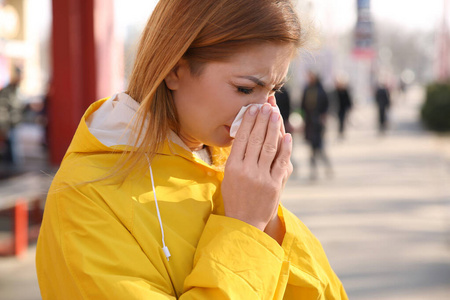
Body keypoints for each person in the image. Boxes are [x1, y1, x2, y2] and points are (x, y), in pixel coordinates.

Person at [36, 1, 348, 299]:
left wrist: (269, 220)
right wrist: (245, 227)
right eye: (245, 89)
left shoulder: (228, 168)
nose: (263, 112)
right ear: (174, 69)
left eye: (273, 91)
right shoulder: (84, 197)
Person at [300, 70, 333, 180]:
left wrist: (323, 117)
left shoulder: (321, 90)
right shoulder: (306, 89)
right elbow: (302, 105)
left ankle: (327, 167)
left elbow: (326, 105)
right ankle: (313, 171)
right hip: (309, 123)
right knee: (312, 149)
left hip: (318, 123)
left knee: (319, 148)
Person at [0, 66, 23, 164]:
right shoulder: (7, 91)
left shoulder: (16, 91)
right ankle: (13, 164)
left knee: (13, 144)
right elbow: (3, 109)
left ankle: (13, 162)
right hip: (9, 124)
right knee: (12, 144)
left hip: (15, 123)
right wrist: (4, 125)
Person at [333, 75, 352, 139]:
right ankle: (340, 131)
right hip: (337, 108)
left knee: (342, 120)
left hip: (343, 108)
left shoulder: (344, 91)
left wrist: (349, 107)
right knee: (339, 120)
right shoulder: (336, 91)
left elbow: (348, 100)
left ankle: (341, 131)